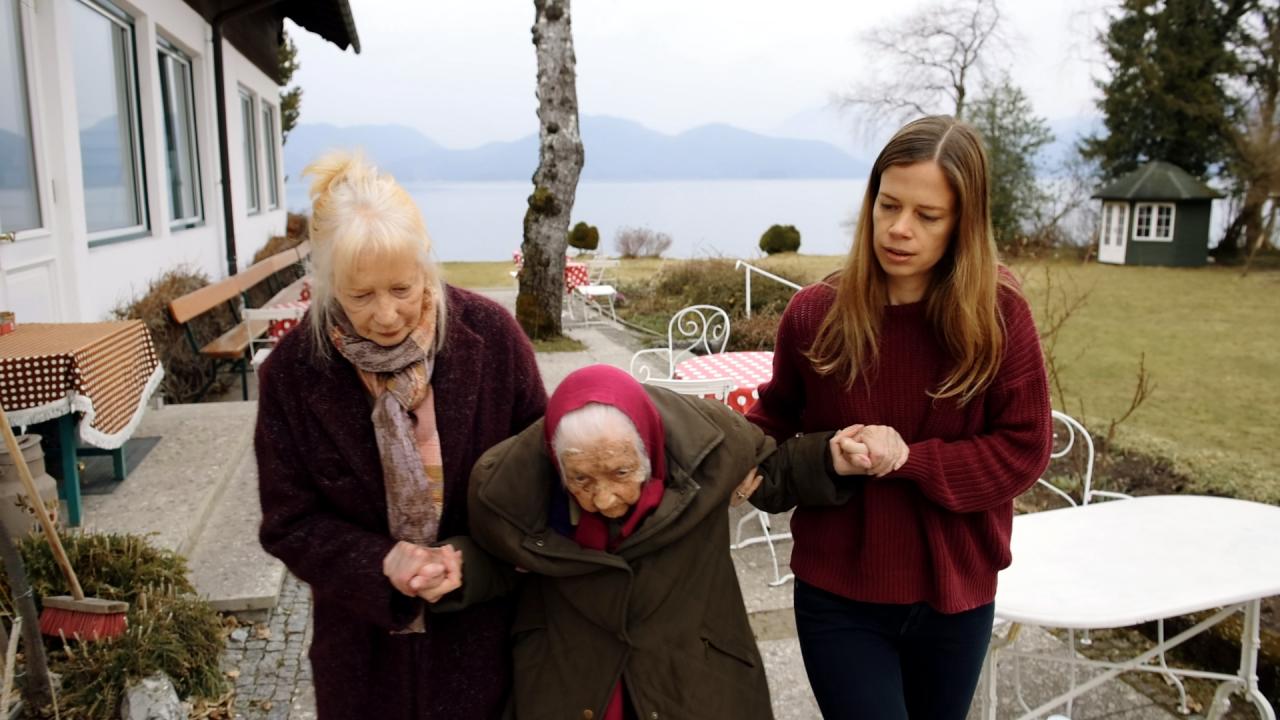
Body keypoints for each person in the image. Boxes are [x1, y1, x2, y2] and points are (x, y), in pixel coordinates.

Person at [746, 115, 1054, 719]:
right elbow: (772, 426)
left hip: (958, 595)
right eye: (888, 205)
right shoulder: (816, 315)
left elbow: (1024, 449)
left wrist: (911, 459)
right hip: (839, 595)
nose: (899, 229)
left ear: (964, 223)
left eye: (927, 215)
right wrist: (713, 450)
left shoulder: (999, 316)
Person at [255, 151, 547, 719]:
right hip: (360, 652)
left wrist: (467, 560)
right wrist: (380, 562)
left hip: (485, 639)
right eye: (360, 296)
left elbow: (541, 477)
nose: (386, 315)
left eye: (402, 288)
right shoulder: (291, 374)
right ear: (326, 283)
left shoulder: (492, 337)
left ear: (426, 266)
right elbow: (288, 521)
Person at [466, 364, 865, 720]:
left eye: (622, 472)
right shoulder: (513, 492)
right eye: (581, 480)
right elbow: (496, 562)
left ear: (651, 449)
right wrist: (458, 568)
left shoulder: (713, 448)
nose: (604, 499)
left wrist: (829, 459)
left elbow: (773, 471)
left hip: (691, 672)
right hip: (571, 681)